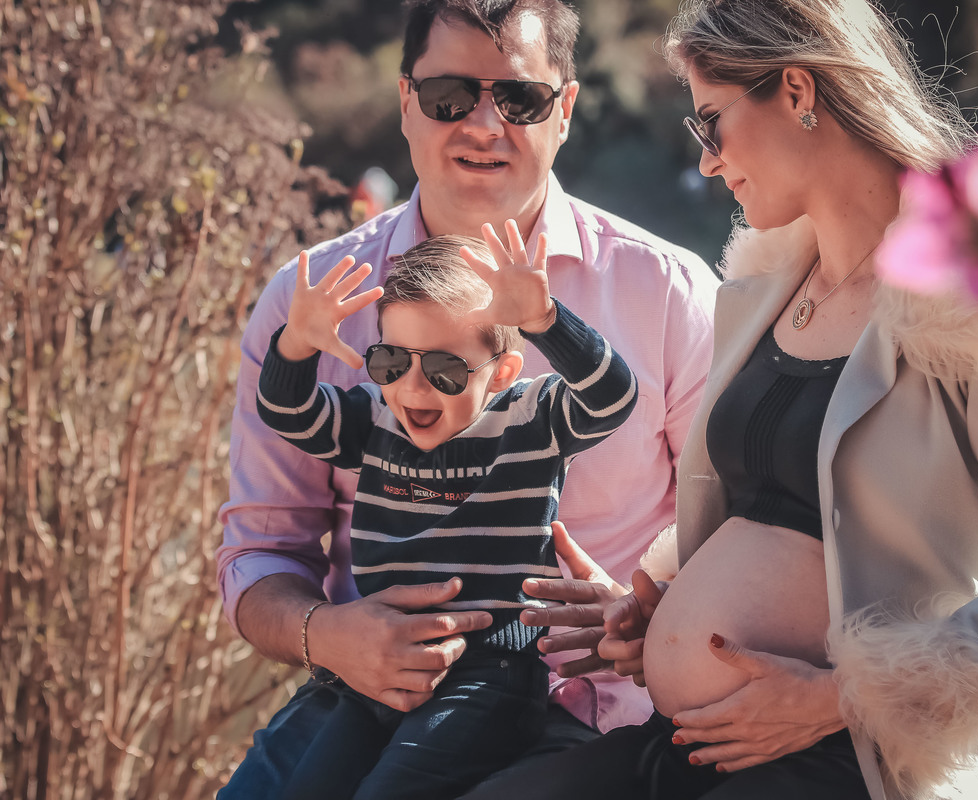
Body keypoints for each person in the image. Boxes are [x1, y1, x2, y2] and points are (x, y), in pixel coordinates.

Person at [461, 1, 978, 799]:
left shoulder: (974, 298)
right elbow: (780, 516)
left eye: (712, 124)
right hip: (695, 745)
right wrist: (660, 614)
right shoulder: (765, 289)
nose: (706, 162)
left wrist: (844, 698)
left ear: (799, 91)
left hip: (865, 762)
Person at [216, 0, 718, 795]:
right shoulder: (310, 304)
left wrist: (650, 615)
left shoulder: (670, 294)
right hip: (374, 696)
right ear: (406, 103)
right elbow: (259, 553)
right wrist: (328, 634)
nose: (484, 124)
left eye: (519, 100)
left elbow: (743, 527)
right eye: (451, 96)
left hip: (610, 713)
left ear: (566, 113)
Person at [251, 227, 637, 799]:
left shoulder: (531, 418)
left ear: (501, 372)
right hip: (377, 658)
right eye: (388, 362)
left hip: (489, 672)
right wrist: (296, 344)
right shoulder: (375, 420)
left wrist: (545, 319)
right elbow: (289, 411)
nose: (411, 388)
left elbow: (612, 396)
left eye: (445, 371)